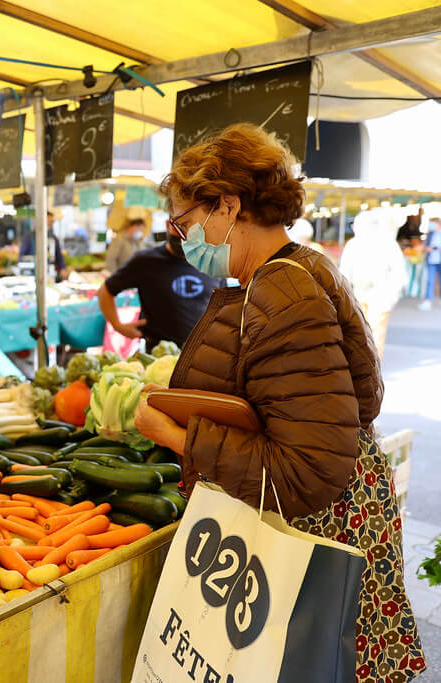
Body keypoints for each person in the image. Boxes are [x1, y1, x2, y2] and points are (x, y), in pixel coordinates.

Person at [133, 123, 423, 680]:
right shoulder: (299, 268)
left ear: (227, 206)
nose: (181, 238)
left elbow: (305, 471)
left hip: (319, 532)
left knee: (316, 660)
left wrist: (175, 436)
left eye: (185, 222)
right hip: (338, 513)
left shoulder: (281, 294)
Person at [98, 231, 220, 350]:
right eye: (179, 228)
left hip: (204, 352)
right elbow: (105, 291)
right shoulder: (145, 261)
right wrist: (117, 326)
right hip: (158, 355)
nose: (184, 235)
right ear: (168, 225)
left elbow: (223, 304)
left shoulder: (211, 261)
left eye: (188, 228)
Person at [340, 209, 407, 356]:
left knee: (375, 335)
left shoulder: (388, 244)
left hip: (380, 294)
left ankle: (373, 369)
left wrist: (390, 296)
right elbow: (344, 273)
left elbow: (399, 273)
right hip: (356, 293)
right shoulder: (353, 244)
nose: (354, 229)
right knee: (355, 333)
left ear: (373, 227)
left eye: (357, 226)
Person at [19, 211, 68, 280]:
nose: (51, 223)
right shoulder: (29, 237)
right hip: (31, 275)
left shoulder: (53, 238)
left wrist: (62, 268)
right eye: (50, 221)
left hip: (49, 275)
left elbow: (59, 256)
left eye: (52, 221)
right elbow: (21, 257)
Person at [420, 217, 441, 310]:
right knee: (430, 281)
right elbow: (424, 247)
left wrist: (435, 248)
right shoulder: (430, 234)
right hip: (431, 261)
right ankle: (428, 301)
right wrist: (426, 249)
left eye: (432, 223)